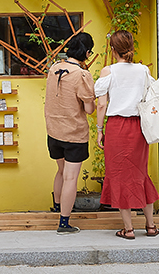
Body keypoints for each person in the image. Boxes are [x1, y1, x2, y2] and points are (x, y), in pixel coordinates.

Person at [95, 30, 159, 240]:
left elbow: (102, 104)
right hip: (139, 127)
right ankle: (150, 226)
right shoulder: (142, 71)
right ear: (131, 47)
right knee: (140, 174)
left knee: (119, 175)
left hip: (117, 127)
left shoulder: (109, 71)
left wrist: (99, 130)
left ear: (112, 50)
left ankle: (129, 229)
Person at [44, 31, 96, 234]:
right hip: (74, 134)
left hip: (54, 131)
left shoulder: (54, 68)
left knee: (61, 171)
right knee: (71, 178)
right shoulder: (82, 74)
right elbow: (90, 109)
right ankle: (64, 223)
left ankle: (57, 207)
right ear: (87, 52)